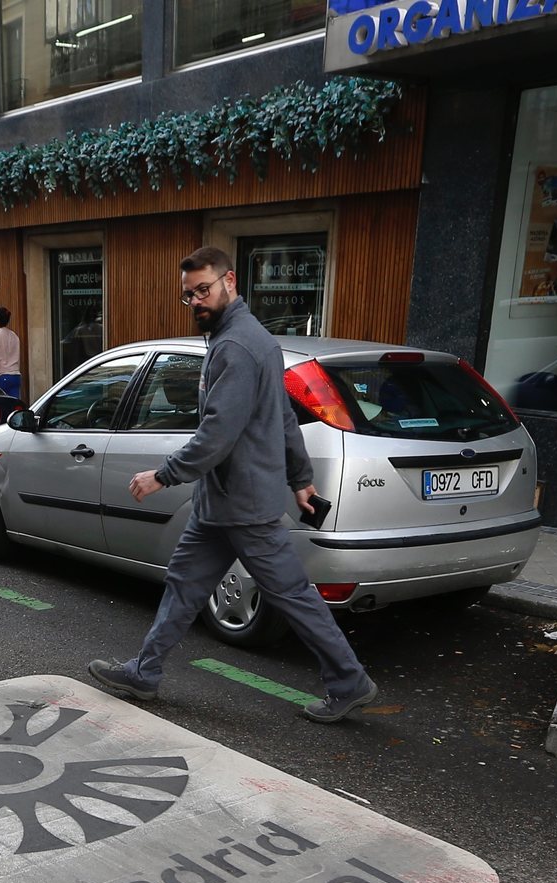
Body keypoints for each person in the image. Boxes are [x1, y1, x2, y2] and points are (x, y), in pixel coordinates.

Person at [86, 246, 377, 723]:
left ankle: (349, 680)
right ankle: (145, 670)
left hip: (243, 505)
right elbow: (282, 416)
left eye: (204, 289)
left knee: (292, 595)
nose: (198, 300)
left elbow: (218, 433)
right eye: (189, 295)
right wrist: (300, 479)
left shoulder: (238, 347)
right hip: (220, 504)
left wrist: (163, 475)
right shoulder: (247, 339)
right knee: (184, 586)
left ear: (230, 282)